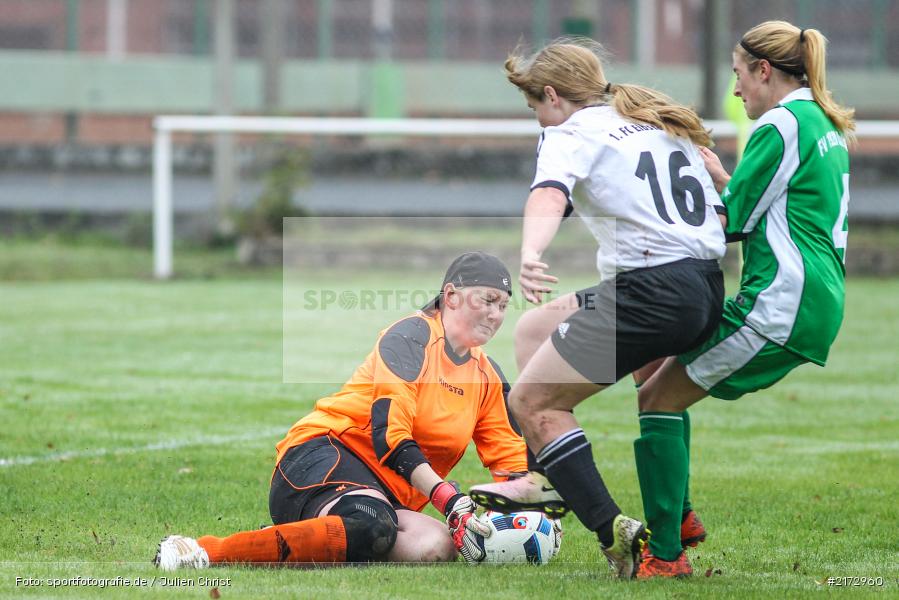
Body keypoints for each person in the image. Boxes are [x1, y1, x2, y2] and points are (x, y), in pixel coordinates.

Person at [468, 37, 727, 579]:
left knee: (534, 404)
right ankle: (674, 515)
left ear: (552, 95)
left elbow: (548, 195)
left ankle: (614, 533)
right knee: (536, 330)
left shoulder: (568, 131)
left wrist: (530, 252)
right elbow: (720, 216)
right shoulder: (653, 124)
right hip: (701, 286)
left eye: (535, 108)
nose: (538, 120)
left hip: (651, 292)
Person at [634, 20, 854, 578]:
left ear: (763, 71)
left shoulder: (781, 124)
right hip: (807, 296)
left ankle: (664, 557)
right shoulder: (819, 120)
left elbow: (730, 223)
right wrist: (722, 176)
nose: (736, 91)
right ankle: (678, 520)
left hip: (781, 301)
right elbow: (776, 208)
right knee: (651, 357)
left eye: (739, 76)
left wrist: (653, 219)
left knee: (657, 401)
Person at [154, 252, 527, 569]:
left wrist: (534, 517)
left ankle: (294, 540)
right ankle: (204, 550)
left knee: (435, 548)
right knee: (372, 527)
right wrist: (448, 499)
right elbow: (391, 439)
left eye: (503, 305)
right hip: (321, 457)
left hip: (382, 493)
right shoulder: (410, 337)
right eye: (487, 300)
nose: (495, 314)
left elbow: (511, 463)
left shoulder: (487, 375)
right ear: (451, 296)